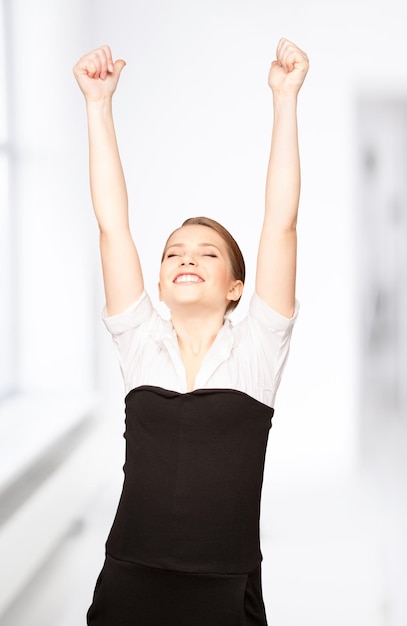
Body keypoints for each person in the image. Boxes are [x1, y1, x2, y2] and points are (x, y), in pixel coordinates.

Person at [73, 36, 309, 626]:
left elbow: (281, 225)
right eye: (175, 251)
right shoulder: (140, 341)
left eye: (207, 254)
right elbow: (112, 226)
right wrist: (98, 107)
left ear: (236, 288)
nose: (186, 258)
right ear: (158, 280)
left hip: (222, 585)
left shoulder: (258, 346)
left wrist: (284, 101)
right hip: (130, 573)